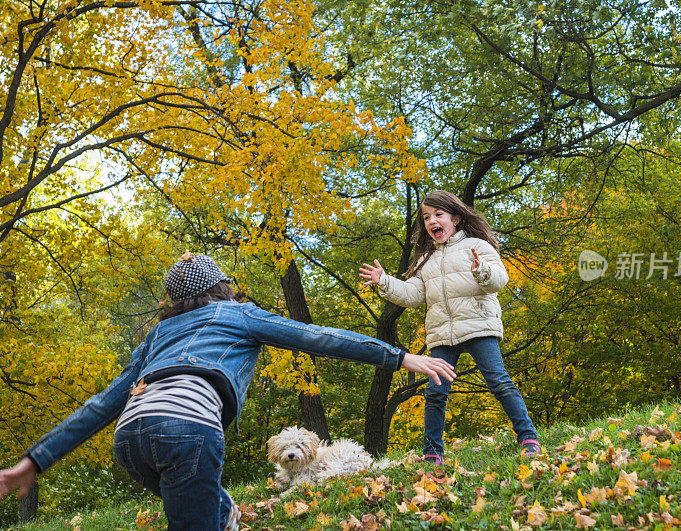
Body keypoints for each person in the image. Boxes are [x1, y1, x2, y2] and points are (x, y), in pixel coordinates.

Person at [0, 252, 455, 530]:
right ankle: (220, 515)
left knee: (197, 502)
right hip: (188, 429)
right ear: (222, 287)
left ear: (175, 301)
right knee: (196, 505)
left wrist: (35, 460)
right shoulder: (238, 314)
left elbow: (102, 403)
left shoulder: (158, 336)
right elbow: (319, 337)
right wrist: (398, 357)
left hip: (130, 438)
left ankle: (223, 513)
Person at [359, 190, 540, 465]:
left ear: (455, 218)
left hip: (478, 325)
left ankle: (528, 438)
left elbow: (498, 280)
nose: (432, 221)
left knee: (499, 382)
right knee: (435, 393)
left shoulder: (477, 246)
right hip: (442, 333)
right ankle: (432, 453)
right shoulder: (426, 259)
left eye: (438, 215)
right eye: (426, 217)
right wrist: (385, 281)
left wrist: (482, 271)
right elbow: (413, 294)